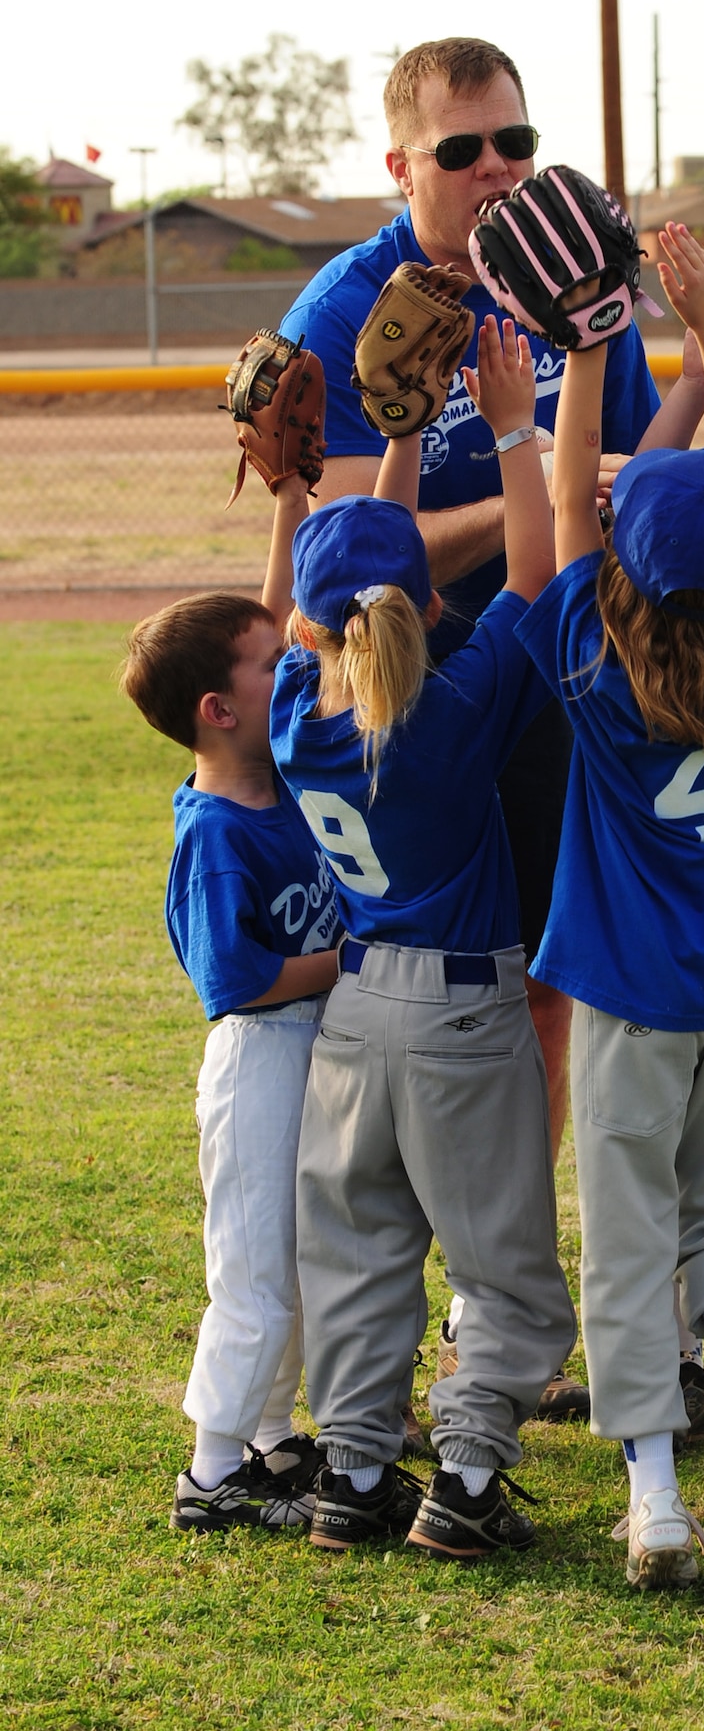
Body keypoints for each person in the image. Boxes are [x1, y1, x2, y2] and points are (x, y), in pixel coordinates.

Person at [513, 223, 704, 1591]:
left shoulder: (594, 674)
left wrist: (591, 355)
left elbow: (572, 512)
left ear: (622, 572)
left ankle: (654, 1496)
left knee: (633, 1238)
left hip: (632, 1006)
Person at [282, 37, 660, 1181]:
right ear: (401, 163)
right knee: (405, 973)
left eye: (518, 140)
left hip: (558, 673)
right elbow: (345, 547)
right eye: (463, 147)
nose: (497, 166)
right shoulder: (350, 304)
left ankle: (503, 1266)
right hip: (412, 686)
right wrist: (537, 484)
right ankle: (391, 1231)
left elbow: (636, 456)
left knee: (550, 967)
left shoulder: (569, 267)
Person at [269, 315, 576, 1560]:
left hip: (353, 1016)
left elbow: (315, 611)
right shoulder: (448, 717)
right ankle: (464, 1474)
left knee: (359, 1245)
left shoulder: (299, 717)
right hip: (462, 1009)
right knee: (498, 1254)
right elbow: (537, 579)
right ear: (428, 596)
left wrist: (360, 458)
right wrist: (511, 425)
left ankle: (350, 1471)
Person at [119, 478, 338, 1534]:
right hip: (261, 1054)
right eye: (269, 668)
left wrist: (290, 501)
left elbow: (267, 620)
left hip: (307, 1053)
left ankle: (271, 1434)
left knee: (297, 1258)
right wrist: (352, 959)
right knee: (252, 1268)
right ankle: (210, 1472)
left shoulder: (276, 769)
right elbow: (237, 978)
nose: (294, 667)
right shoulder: (215, 831)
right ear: (218, 710)